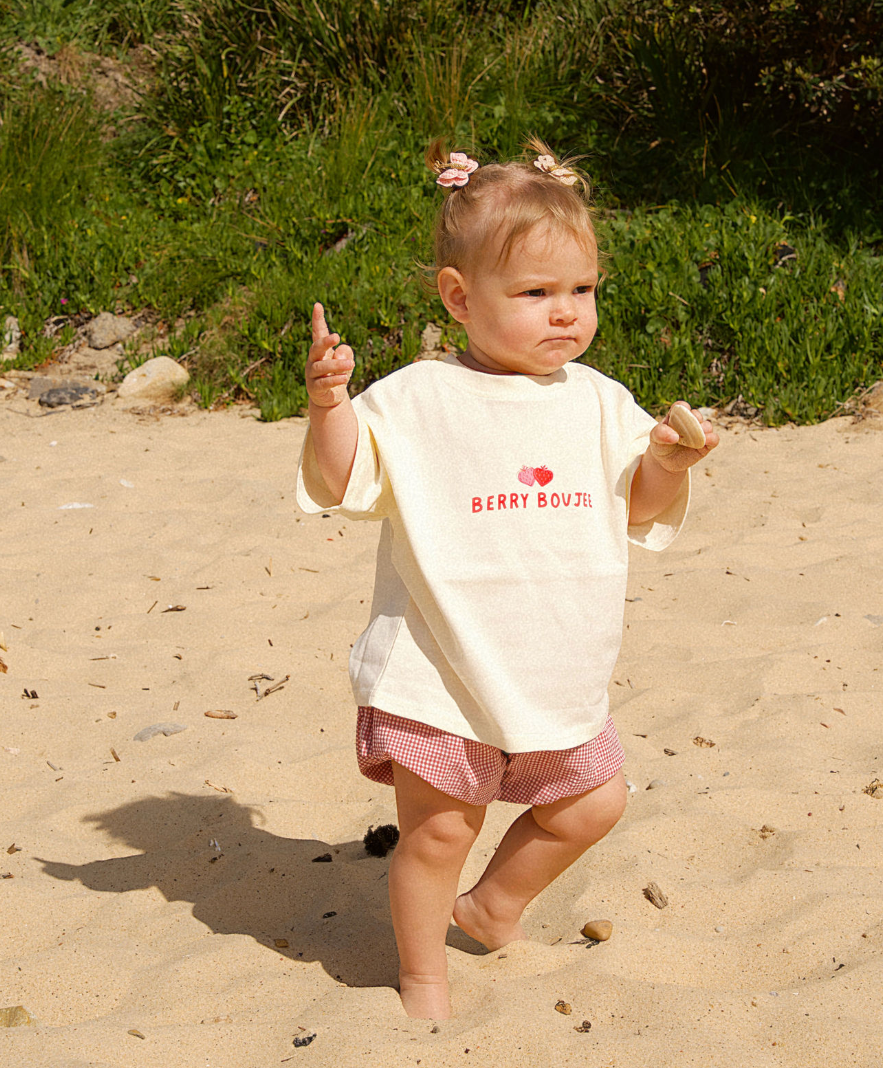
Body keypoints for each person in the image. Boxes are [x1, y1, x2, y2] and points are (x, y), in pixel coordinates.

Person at [296, 139, 719, 1019]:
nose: (565, 314)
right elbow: (342, 483)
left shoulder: (600, 401)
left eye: (582, 291)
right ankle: (423, 976)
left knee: (593, 803)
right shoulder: (416, 399)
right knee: (440, 829)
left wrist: (671, 462)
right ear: (459, 297)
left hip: (555, 670)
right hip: (439, 673)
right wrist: (330, 406)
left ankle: (492, 908)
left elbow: (638, 505)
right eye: (534, 294)